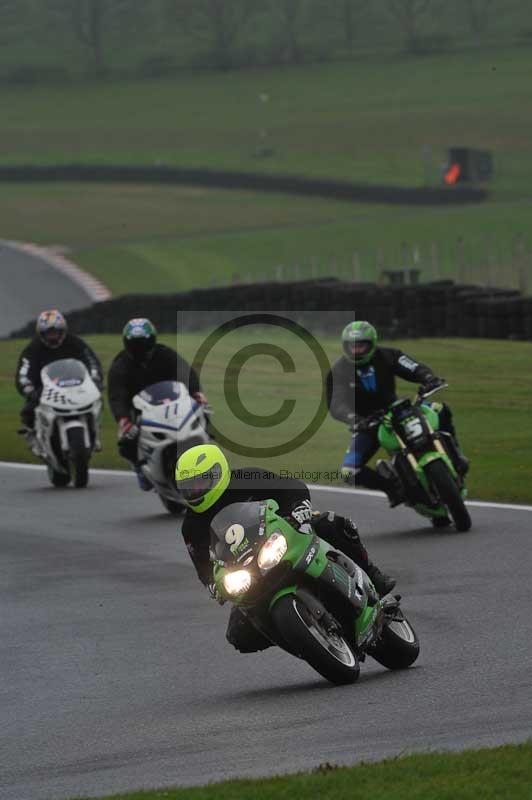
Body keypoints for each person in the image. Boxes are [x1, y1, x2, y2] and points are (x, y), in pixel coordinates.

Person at [175, 443, 396, 654]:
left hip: (286, 533)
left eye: (200, 482)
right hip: (248, 570)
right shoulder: (192, 526)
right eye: (188, 487)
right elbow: (202, 565)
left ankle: (373, 575)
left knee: (335, 525)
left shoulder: (246, 478)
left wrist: (298, 510)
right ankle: (297, 634)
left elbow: (291, 487)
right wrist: (214, 585)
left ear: (218, 471)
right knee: (238, 635)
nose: (195, 490)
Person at [326, 320, 467, 506]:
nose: (356, 350)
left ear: (372, 344)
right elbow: (336, 403)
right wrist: (355, 420)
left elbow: (412, 366)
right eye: (352, 346)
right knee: (348, 471)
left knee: (440, 410)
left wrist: (428, 378)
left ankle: (457, 456)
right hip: (367, 423)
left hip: (398, 411)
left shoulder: (387, 355)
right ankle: (393, 488)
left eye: (361, 345)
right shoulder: (338, 371)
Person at [107, 318, 207, 490]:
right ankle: (139, 465)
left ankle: (208, 451)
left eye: (144, 343)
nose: (140, 349)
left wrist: (196, 393)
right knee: (126, 438)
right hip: (139, 411)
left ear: (152, 340)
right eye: (135, 344)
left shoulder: (164, 354)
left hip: (172, 402)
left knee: (203, 413)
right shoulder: (121, 364)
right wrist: (123, 418)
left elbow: (186, 372)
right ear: (127, 344)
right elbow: (116, 394)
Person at [15, 309, 103, 433]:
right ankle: (31, 429)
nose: (53, 336)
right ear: (41, 334)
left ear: (63, 331)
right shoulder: (33, 348)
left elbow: (90, 360)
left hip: (75, 383)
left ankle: (94, 430)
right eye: (49, 333)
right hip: (45, 389)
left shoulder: (75, 342)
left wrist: (95, 377)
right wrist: (28, 388)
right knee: (28, 411)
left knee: (96, 400)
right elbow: (24, 372)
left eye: (56, 332)